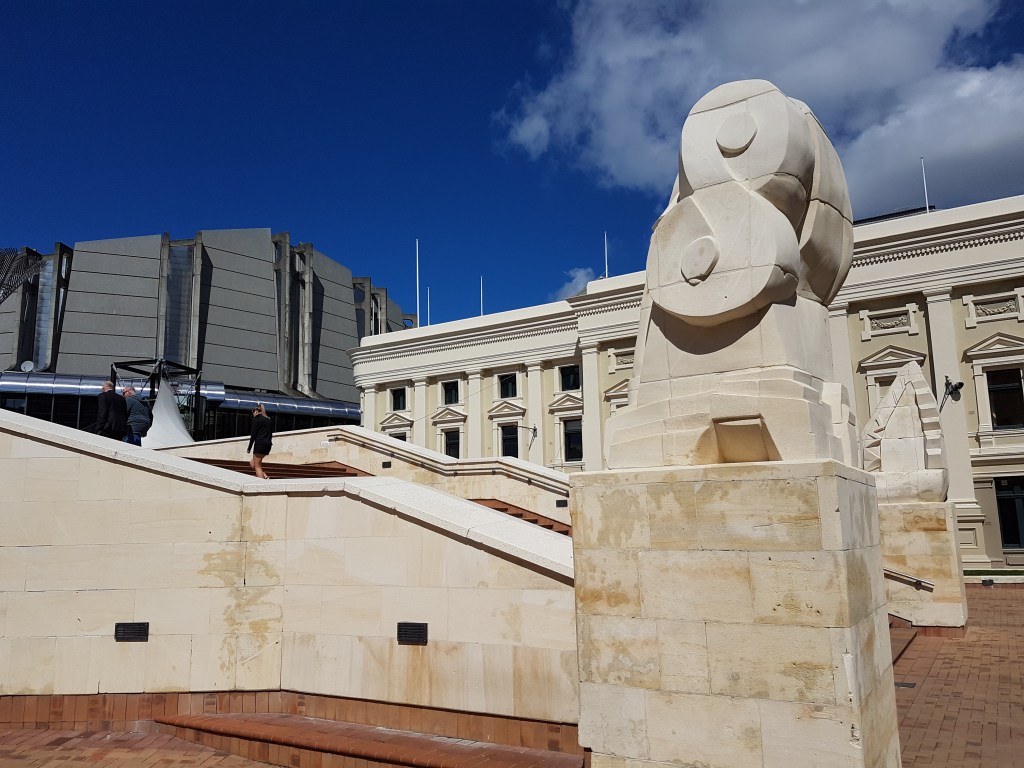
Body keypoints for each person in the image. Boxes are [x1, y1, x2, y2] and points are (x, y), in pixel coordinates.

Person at [246, 403, 273, 479]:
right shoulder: (268, 419)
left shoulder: (256, 419)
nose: (253, 414)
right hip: (268, 445)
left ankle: (262, 484)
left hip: (259, 444)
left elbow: (253, 435)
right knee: (252, 463)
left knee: (257, 466)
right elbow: (271, 434)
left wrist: (249, 448)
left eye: (253, 412)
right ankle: (264, 476)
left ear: (256, 411)